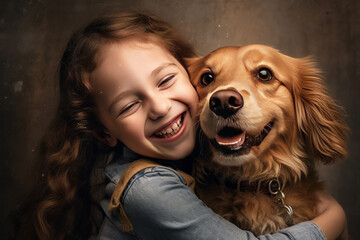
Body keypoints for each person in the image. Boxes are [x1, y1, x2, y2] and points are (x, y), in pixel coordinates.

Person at [9, 11, 347, 240]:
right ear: (104, 132)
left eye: (263, 75)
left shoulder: (181, 157)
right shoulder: (148, 188)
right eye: (209, 79)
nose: (224, 95)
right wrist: (333, 219)